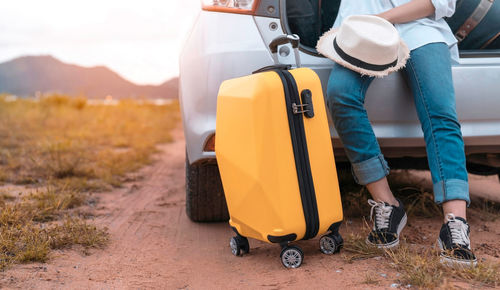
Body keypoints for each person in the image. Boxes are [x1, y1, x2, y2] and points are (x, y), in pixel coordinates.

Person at [322, 0, 477, 266]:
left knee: (440, 113)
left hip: (420, 30)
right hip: (362, 34)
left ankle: (455, 224)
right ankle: (387, 205)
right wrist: (367, 23)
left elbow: (436, 3)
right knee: (340, 95)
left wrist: (381, 19)